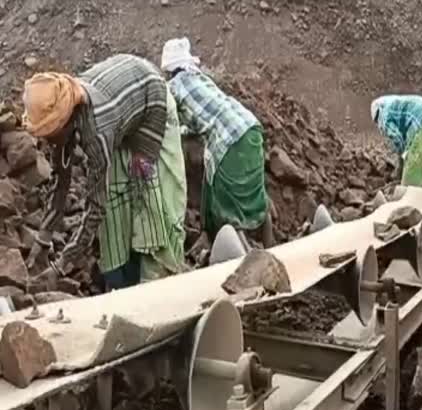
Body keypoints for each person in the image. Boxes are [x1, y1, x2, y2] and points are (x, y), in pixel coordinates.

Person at [22, 54, 188, 290]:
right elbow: (61, 180)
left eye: (49, 133)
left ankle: (157, 279)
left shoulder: (97, 131)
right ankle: (121, 280)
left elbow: (95, 206)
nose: (47, 140)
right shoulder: (65, 110)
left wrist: (61, 266)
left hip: (152, 100)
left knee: (147, 190)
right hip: (122, 104)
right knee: (117, 207)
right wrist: (43, 237)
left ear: (64, 123)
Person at [161, 37, 273, 247]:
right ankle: (270, 244)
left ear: (168, 70)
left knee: (226, 203)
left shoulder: (172, 88)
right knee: (255, 193)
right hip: (250, 128)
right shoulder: (200, 77)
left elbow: (168, 124)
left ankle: (241, 253)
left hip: (229, 138)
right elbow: (200, 120)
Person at [370, 94, 422, 190]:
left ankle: (409, 194)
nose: (378, 125)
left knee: (412, 163)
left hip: (420, 120)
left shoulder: (383, 116)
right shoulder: (391, 104)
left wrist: (403, 158)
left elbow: (397, 138)